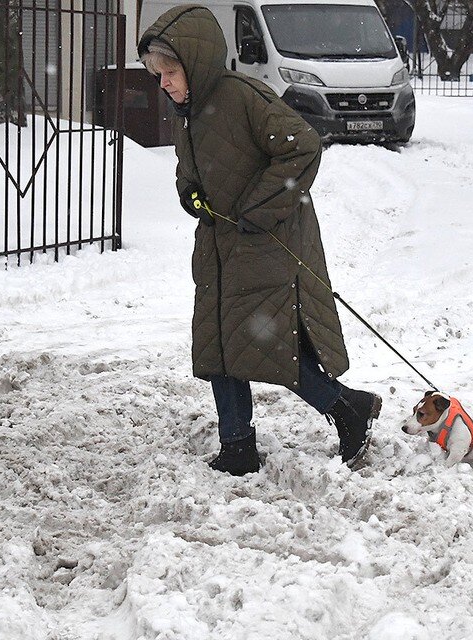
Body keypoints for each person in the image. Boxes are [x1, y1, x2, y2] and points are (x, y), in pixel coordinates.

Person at [138, 6, 381, 476]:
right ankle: (238, 446)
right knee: (217, 347)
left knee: (266, 346)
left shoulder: (241, 95)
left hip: (266, 243)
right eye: (157, 74)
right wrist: (189, 194)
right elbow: (190, 171)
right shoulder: (186, 112)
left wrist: (258, 208)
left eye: (170, 71)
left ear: (195, 61)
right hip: (218, 247)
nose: (163, 83)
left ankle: (347, 408)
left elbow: (303, 146)